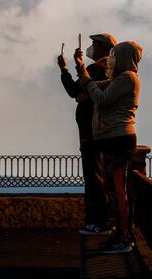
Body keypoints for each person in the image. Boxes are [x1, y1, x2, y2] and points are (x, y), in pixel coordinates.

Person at [76, 40, 142, 253]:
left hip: (119, 141)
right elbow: (96, 86)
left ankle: (124, 237)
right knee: (114, 191)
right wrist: (85, 75)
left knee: (119, 191)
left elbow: (101, 98)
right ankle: (119, 233)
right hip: (112, 140)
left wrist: (87, 79)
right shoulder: (120, 79)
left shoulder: (128, 78)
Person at [57, 33, 117, 234]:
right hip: (104, 130)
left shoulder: (94, 68)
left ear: (102, 47)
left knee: (93, 177)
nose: (91, 47)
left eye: (94, 44)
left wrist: (64, 69)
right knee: (103, 176)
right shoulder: (111, 69)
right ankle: (107, 220)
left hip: (90, 131)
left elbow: (75, 90)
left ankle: (98, 222)